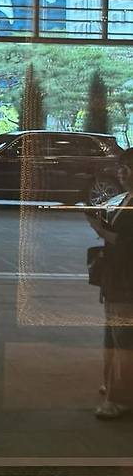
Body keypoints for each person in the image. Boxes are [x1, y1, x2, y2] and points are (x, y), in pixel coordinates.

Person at [86, 148, 133, 419]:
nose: (121, 172)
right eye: (121, 166)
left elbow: (126, 242)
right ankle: (113, 384)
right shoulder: (125, 198)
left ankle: (120, 397)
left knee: (123, 341)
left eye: (127, 167)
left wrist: (99, 229)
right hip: (116, 279)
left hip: (127, 281)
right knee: (114, 337)